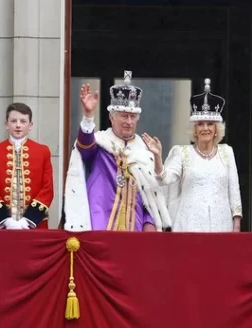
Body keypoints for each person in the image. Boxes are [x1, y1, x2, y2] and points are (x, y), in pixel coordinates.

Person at [63, 70, 171, 232]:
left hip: (135, 228)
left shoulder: (144, 151)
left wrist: (150, 224)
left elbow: (150, 195)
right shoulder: (100, 143)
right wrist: (88, 116)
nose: (128, 121)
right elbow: (84, 146)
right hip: (100, 222)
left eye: (132, 117)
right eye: (123, 116)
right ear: (112, 117)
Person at [142, 79, 242, 232]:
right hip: (188, 224)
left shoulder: (227, 152)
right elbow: (164, 179)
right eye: (200, 124)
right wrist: (157, 157)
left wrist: (236, 224)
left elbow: (234, 192)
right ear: (194, 130)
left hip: (221, 224)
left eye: (210, 124)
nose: (205, 128)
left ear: (217, 129)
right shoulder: (182, 153)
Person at [0, 102, 54, 229]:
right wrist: (5, 220)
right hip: (2, 226)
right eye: (13, 121)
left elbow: (47, 188)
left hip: (35, 224)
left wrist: (29, 220)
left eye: (23, 121)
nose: (18, 125)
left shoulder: (43, 151)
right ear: (6, 124)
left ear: (30, 125)